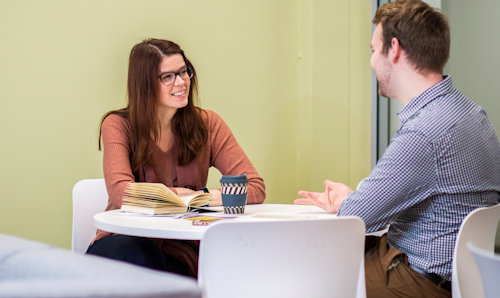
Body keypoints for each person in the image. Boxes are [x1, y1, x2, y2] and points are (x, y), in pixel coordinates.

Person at [295, 1, 500, 297]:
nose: (371, 62)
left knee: (304, 271)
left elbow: (356, 218)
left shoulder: (424, 131)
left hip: (416, 281)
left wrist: (348, 202)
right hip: (463, 280)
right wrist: (355, 200)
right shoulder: (474, 114)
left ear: (394, 49)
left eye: (373, 49)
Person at [87, 38, 266, 278]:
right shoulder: (118, 125)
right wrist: (178, 195)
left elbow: (254, 187)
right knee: (141, 254)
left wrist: (199, 197)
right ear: (144, 84)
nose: (181, 82)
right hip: (124, 246)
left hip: (180, 253)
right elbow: (122, 193)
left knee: (241, 261)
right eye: (167, 76)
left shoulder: (208, 124)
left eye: (184, 72)